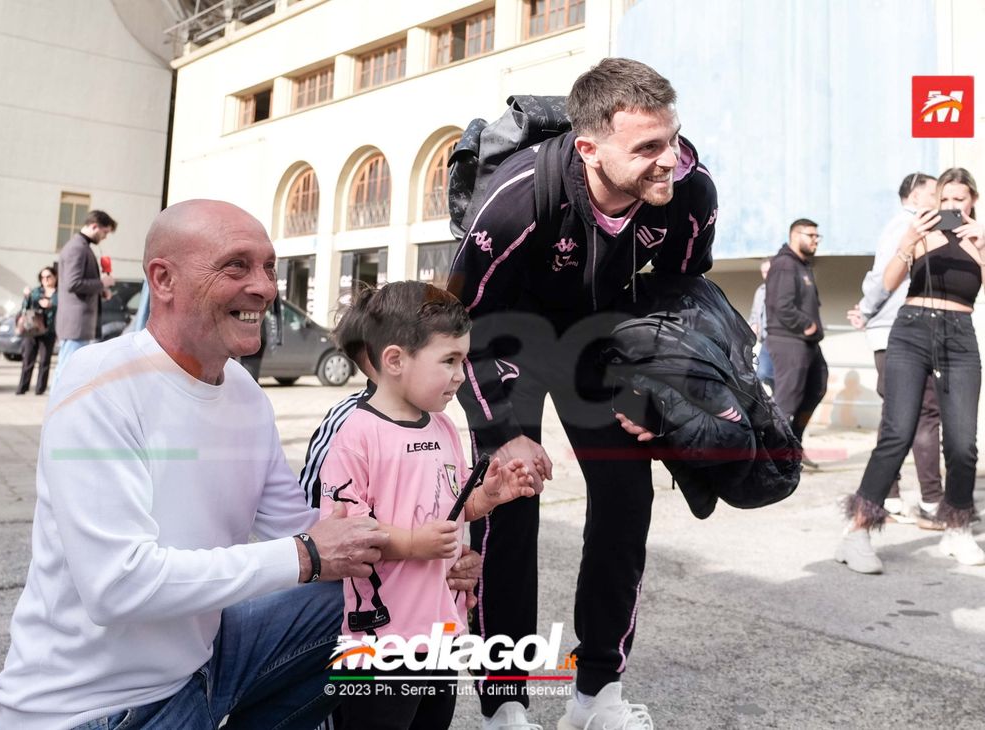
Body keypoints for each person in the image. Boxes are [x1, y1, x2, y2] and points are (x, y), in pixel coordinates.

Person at [0, 199, 389, 729]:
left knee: (380, 608)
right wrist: (305, 556)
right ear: (164, 279)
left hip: (201, 667)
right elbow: (117, 587)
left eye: (269, 267)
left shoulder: (245, 393)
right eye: (237, 266)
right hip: (100, 710)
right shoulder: (100, 384)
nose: (266, 287)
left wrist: (424, 551)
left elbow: (306, 533)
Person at [448, 57, 718, 730]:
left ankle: (596, 697)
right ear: (589, 148)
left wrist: (661, 395)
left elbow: (680, 297)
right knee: (510, 501)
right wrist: (498, 430)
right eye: (648, 148)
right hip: (506, 336)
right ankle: (503, 701)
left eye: (674, 139)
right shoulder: (515, 201)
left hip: (599, 338)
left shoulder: (692, 188)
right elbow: (460, 326)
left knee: (627, 500)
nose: (670, 161)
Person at [318, 281, 534, 730]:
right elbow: (344, 536)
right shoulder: (357, 436)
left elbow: (454, 505)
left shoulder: (443, 428)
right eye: (449, 361)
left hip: (442, 631)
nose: (460, 375)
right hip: (382, 643)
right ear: (395, 360)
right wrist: (414, 543)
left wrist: (489, 495)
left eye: (464, 360)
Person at [836, 168, 985, 574]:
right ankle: (858, 531)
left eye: (961, 199)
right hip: (911, 331)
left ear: (971, 200)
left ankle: (956, 530)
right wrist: (909, 242)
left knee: (962, 444)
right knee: (897, 432)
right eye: (946, 199)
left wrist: (983, 247)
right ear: (935, 201)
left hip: (960, 337)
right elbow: (887, 281)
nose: (953, 207)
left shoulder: (978, 241)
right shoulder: (917, 232)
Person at [846, 173, 943, 526]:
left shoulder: (925, 228)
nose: (941, 199)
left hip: (911, 332)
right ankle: (904, 497)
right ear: (916, 196)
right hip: (894, 333)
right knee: (909, 417)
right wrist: (866, 309)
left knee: (910, 416)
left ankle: (902, 496)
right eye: (935, 192)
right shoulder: (902, 226)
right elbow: (882, 275)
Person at [764, 219, 827, 468]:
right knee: (787, 400)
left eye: (817, 235)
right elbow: (782, 305)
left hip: (808, 343)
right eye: (811, 235)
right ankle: (773, 454)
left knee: (817, 388)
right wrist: (805, 324)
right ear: (795, 235)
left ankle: (793, 446)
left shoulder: (801, 265)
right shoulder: (784, 264)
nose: (815, 240)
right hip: (789, 341)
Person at [52, 209, 117, 385]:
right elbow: (73, 283)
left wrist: (100, 290)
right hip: (76, 324)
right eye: (105, 232)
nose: (105, 237)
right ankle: (57, 410)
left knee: (69, 371)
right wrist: (102, 283)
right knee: (66, 370)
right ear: (95, 226)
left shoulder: (81, 246)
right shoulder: (77, 248)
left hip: (78, 324)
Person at [15, 265, 58, 395]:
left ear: (55, 277)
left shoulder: (59, 294)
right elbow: (25, 307)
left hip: (49, 331)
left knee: (45, 361)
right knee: (28, 359)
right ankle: (23, 387)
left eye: (48, 276)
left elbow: (64, 309)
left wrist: (52, 305)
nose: (45, 279)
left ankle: (40, 389)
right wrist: (26, 296)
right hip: (32, 329)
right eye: (43, 277)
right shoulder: (35, 292)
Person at [747, 257, 774, 388]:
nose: (766, 275)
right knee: (764, 375)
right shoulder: (761, 291)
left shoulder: (784, 289)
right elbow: (754, 314)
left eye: (769, 271)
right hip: (765, 339)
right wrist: (753, 324)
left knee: (763, 374)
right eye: (764, 272)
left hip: (779, 340)